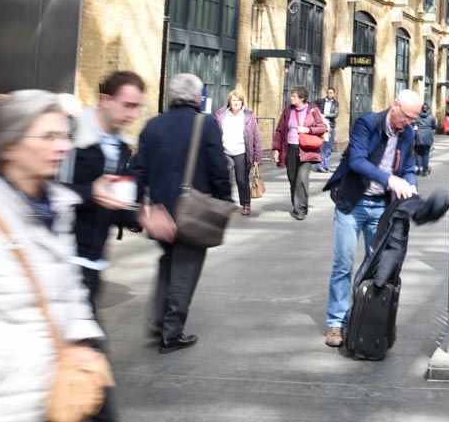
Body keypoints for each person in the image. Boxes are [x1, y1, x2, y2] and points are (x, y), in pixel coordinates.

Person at [0, 90, 110, 422]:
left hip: (57, 393)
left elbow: (69, 289)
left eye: (64, 135)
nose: (64, 146)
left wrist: (83, 341)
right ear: (10, 145)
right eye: (48, 136)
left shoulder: (57, 206)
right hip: (6, 402)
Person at [128, 73, 231, 354]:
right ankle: (171, 333)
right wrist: (224, 199)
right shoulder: (205, 123)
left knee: (167, 262)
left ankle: (159, 321)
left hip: (160, 213)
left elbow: (137, 171)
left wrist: (137, 210)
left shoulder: (153, 125)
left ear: (172, 96)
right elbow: (217, 166)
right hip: (192, 211)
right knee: (185, 269)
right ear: (198, 97)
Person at [321, 89, 421, 348]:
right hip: (352, 204)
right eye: (406, 117)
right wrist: (390, 179)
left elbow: (408, 167)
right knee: (343, 264)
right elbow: (357, 161)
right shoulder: (367, 123)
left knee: (377, 268)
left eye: (413, 119)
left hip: (381, 208)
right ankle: (336, 323)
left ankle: (366, 321)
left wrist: (411, 186)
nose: (408, 123)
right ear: (395, 104)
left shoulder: (408, 133)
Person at [61, 70, 145, 310]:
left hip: (93, 260)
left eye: (137, 107)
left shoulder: (120, 146)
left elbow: (115, 204)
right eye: (127, 105)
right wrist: (90, 193)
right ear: (105, 100)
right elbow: (43, 191)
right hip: (62, 259)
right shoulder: (71, 134)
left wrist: (142, 216)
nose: (133, 115)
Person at [272, 86, 327, 220]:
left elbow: (322, 127)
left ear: (302, 98)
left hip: (306, 149)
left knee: (302, 179)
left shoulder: (313, 110)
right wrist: (276, 149)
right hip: (290, 148)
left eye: (294, 96)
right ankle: (296, 204)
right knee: (292, 179)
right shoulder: (288, 111)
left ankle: (301, 209)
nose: (291, 98)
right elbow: (279, 130)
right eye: (291, 96)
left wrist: (307, 130)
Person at [213, 88, 262, 216]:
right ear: (229, 101)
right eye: (234, 100)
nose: (236, 103)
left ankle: (246, 203)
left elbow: (256, 136)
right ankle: (225, 202)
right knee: (226, 178)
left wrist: (257, 156)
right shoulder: (221, 115)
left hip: (241, 152)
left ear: (242, 102)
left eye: (238, 100)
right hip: (225, 151)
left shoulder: (249, 116)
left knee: (242, 180)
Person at [319, 87, 340, 173]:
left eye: (331, 93)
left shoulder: (336, 103)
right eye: (328, 92)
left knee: (328, 146)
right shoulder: (321, 101)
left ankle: (326, 165)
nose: (329, 94)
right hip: (322, 126)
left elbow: (335, 114)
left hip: (330, 126)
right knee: (320, 146)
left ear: (334, 94)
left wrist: (325, 115)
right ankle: (319, 165)